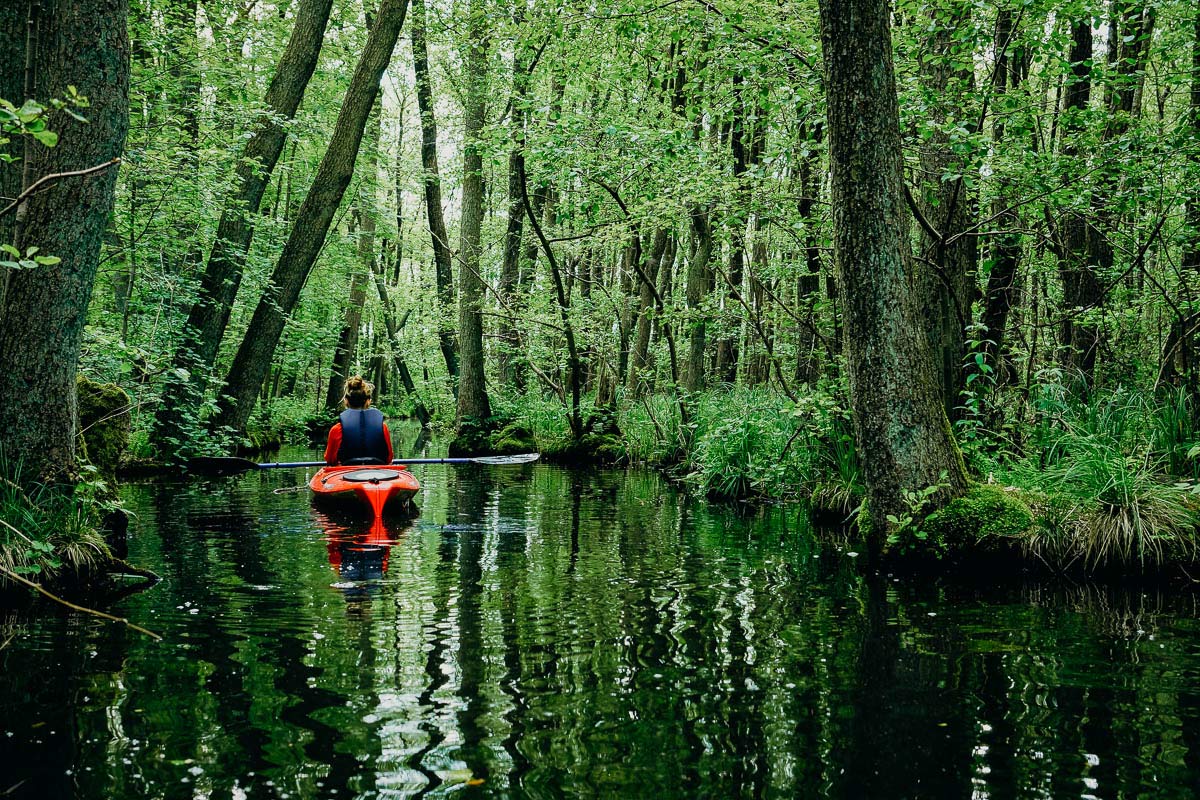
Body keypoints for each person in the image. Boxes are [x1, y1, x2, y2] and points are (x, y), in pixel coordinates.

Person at [323, 376, 394, 466]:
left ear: (346, 401)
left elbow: (330, 460)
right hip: (377, 474)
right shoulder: (382, 428)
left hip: (345, 475)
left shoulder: (336, 430)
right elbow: (389, 458)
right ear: (368, 401)